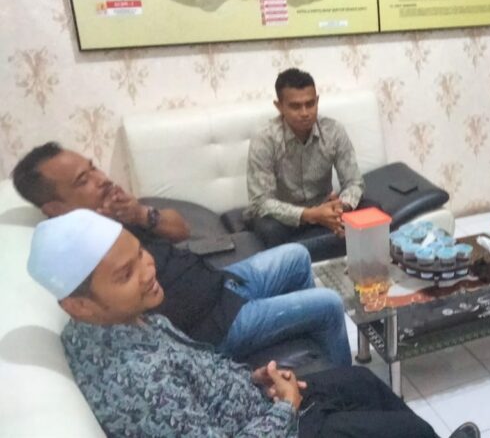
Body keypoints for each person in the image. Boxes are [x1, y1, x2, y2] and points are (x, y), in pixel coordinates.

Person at [25, 209, 490, 438]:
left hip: (258, 402)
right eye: (125, 274)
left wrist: (253, 378)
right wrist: (286, 408)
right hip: (276, 428)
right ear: (79, 305)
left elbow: (198, 369)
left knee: (361, 381)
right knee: (404, 433)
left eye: (141, 254)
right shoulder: (136, 384)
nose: (149, 270)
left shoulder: (123, 319)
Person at [11, 143, 352, 366]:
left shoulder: (111, 215)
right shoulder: (83, 258)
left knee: (295, 255)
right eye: (83, 180)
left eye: (94, 168)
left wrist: (140, 213)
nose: (101, 180)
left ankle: (314, 349)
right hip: (216, 327)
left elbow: (181, 230)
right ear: (54, 208)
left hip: (223, 284)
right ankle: (344, 377)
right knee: (328, 305)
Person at [245, 67, 366, 250]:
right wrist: (310, 214)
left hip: (326, 208)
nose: (305, 113)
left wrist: (341, 208)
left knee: (372, 210)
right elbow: (261, 202)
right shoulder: (264, 139)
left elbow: (354, 182)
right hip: (285, 217)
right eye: (295, 106)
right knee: (269, 229)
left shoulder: (333, 131)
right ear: (279, 107)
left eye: (310, 104)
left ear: (317, 101)